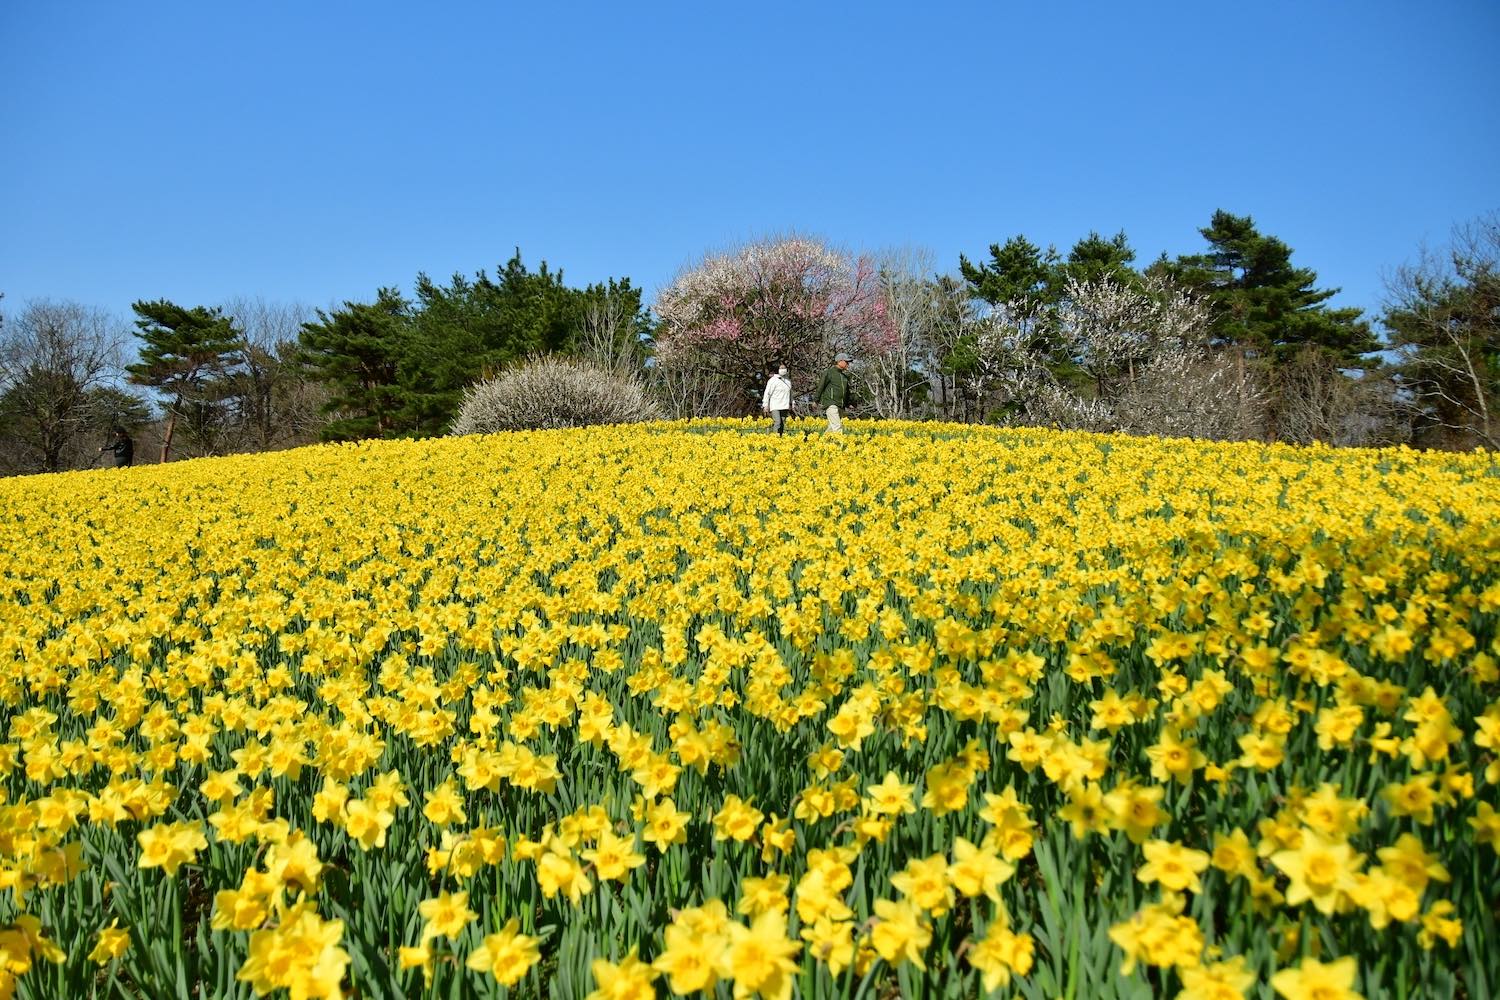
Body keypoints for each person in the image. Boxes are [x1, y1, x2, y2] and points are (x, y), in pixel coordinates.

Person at [811, 352, 852, 434]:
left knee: (831, 428)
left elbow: (847, 392)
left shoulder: (844, 377)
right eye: (846, 362)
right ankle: (839, 444)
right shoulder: (829, 373)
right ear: (840, 361)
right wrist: (816, 400)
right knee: (837, 426)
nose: (848, 364)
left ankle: (821, 443)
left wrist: (848, 403)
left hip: (841, 405)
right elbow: (821, 386)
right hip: (831, 404)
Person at [761, 365, 792, 435]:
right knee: (777, 422)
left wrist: (792, 402)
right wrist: (765, 405)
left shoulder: (788, 381)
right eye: (781, 368)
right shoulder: (772, 380)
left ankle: (781, 437)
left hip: (785, 405)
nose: (783, 369)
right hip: (775, 405)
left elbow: (790, 393)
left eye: (784, 368)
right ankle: (775, 438)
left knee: (783, 422)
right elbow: (767, 393)